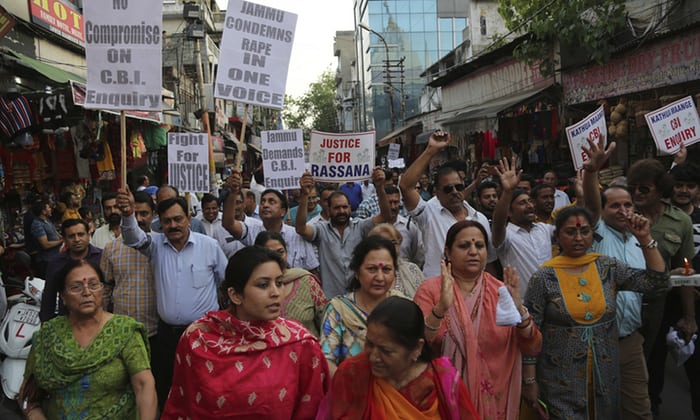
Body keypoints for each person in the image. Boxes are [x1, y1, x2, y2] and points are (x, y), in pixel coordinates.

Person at [524, 206, 667, 419]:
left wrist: (645, 239)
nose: (579, 238)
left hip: (605, 376)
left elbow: (657, 284)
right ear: (557, 236)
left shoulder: (606, 268)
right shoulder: (543, 278)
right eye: (570, 232)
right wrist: (529, 381)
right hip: (560, 379)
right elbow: (529, 335)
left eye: (585, 231)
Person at [161, 246, 328, 418]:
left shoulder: (299, 342)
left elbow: (312, 408)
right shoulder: (198, 338)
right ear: (235, 295)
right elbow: (182, 404)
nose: (276, 293)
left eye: (279, 283)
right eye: (263, 285)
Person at [414, 220, 542, 419]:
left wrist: (520, 311)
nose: (473, 251)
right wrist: (440, 309)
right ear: (448, 252)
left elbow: (532, 346)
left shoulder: (500, 291)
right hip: (444, 397)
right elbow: (420, 345)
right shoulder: (430, 290)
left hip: (497, 396)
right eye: (464, 246)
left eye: (479, 246)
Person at [117, 187, 228, 410]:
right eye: (167, 221)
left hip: (203, 333)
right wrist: (128, 214)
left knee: (205, 386)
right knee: (168, 387)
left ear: (188, 218)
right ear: (160, 223)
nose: (173, 225)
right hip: (167, 336)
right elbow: (131, 237)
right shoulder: (155, 245)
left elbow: (226, 283)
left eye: (178, 219)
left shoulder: (209, 246)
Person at [19, 259, 157, 420]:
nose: (86, 292)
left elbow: (144, 385)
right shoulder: (47, 335)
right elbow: (28, 395)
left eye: (93, 285)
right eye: (76, 287)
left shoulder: (124, 330)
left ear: (102, 290)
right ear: (63, 296)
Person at [581, 137, 654, 419]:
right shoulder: (595, 231)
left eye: (628, 205)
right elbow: (590, 202)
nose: (623, 211)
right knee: (599, 411)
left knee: (639, 411)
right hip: (595, 342)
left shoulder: (639, 238)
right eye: (615, 206)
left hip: (630, 342)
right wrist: (592, 171)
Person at [326, 296, 479, 419]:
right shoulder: (352, 374)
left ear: (417, 348)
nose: (373, 357)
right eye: (369, 344)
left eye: (385, 351)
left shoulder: (443, 382)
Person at [626, 158, 696, 415]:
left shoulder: (680, 222)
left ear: (659, 189)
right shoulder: (622, 216)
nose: (636, 194)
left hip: (659, 306)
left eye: (643, 189)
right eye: (632, 187)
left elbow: (686, 272)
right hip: (624, 304)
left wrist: (689, 318)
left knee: (653, 369)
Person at [399, 130, 494, 278]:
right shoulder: (428, 214)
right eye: (448, 189)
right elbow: (405, 186)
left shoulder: (480, 219)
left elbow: (488, 263)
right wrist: (431, 150)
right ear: (436, 192)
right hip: (438, 292)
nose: (455, 192)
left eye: (459, 187)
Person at [295, 168, 390, 297]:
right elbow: (301, 229)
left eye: (345, 207)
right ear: (328, 210)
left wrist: (380, 188)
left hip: (358, 298)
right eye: (337, 208)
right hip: (331, 300)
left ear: (350, 208)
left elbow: (385, 216)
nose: (341, 211)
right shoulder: (321, 229)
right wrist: (305, 195)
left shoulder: (360, 226)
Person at [320, 236, 405, 377]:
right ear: (357, 273)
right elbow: (327, 360)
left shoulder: (402, 305)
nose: (379, 277)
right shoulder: (339, 308)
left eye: (386, 270)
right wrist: (350, 390)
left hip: (395, 392)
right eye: (371, 269)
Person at [222, 175, 320, 272]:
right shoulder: (251, 230)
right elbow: (229, 224)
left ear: (283, 211)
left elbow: (312, 273)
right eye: (263, 201)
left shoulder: (297, 236)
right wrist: (233, 193)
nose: (265, 205)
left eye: (271, 202)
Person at [491, 157, 555, 298]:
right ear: (509, 211)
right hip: (523, 307)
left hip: (552, 304)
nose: (530, 206)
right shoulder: (506, 236)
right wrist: (507, 192)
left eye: (530, 201)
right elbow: (497, 224)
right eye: (522, 203)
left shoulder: (544, 229)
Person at [101, 190, 159, 343]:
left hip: (157, 330)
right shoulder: (111, 248)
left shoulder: (162, 245)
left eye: (144, 213)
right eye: (134, 214)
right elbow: (106, 287)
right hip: (122, 330)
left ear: (153, 214)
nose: (138, 219)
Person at [254, 231, 327, 336]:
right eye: (269, 254)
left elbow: (326, 323)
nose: (277, 257)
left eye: (280, 252)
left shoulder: (306, 281)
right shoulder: (253, 289)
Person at [41, 219, 102, 321]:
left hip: (100, 319)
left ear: (88, 235)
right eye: (71, 236)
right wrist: (45, 322)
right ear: (64, 239)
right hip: (68, 320)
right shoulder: (56, 262)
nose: (77, 239)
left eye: (81, 234)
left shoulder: (102, 258)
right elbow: (49, 295)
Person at [368, 223, 424, 297]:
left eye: (393, 242)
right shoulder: (367, 271)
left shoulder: (412, 269)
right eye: (383, 243)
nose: (390, 247)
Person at [29, 198, 63, 278]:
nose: (51, 209)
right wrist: (61, 241)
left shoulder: (47, 221)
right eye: (48, 208)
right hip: (47, 261)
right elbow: (45, 244)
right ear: (43, 211)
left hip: (56, 257)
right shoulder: (37, 224)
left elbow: (56, 234)